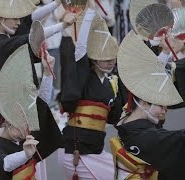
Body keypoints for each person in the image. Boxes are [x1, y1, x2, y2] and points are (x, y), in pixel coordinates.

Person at [58, 2, 127, 179]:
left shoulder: (112, 83)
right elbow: (80, 50)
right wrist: (88, 16)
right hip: (76, 150)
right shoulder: (84, 77)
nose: (110, 62)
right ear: (94, 59)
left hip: (95, 149)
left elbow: (114, 118)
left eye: (112, 58)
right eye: (105, 58)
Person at [111, 31, 185, 180]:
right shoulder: (144, 137)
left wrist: (165, 51)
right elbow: (178, 140)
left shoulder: (128, 119)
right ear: (145, 102)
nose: (165, 110)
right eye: (161, 105)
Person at [0, 43, 55, 180]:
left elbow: (41, 104)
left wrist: (47, 72)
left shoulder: (20, 133)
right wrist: (25, 155)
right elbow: (6, 163)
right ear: (7, 121)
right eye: (22, 124)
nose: (28, 129)